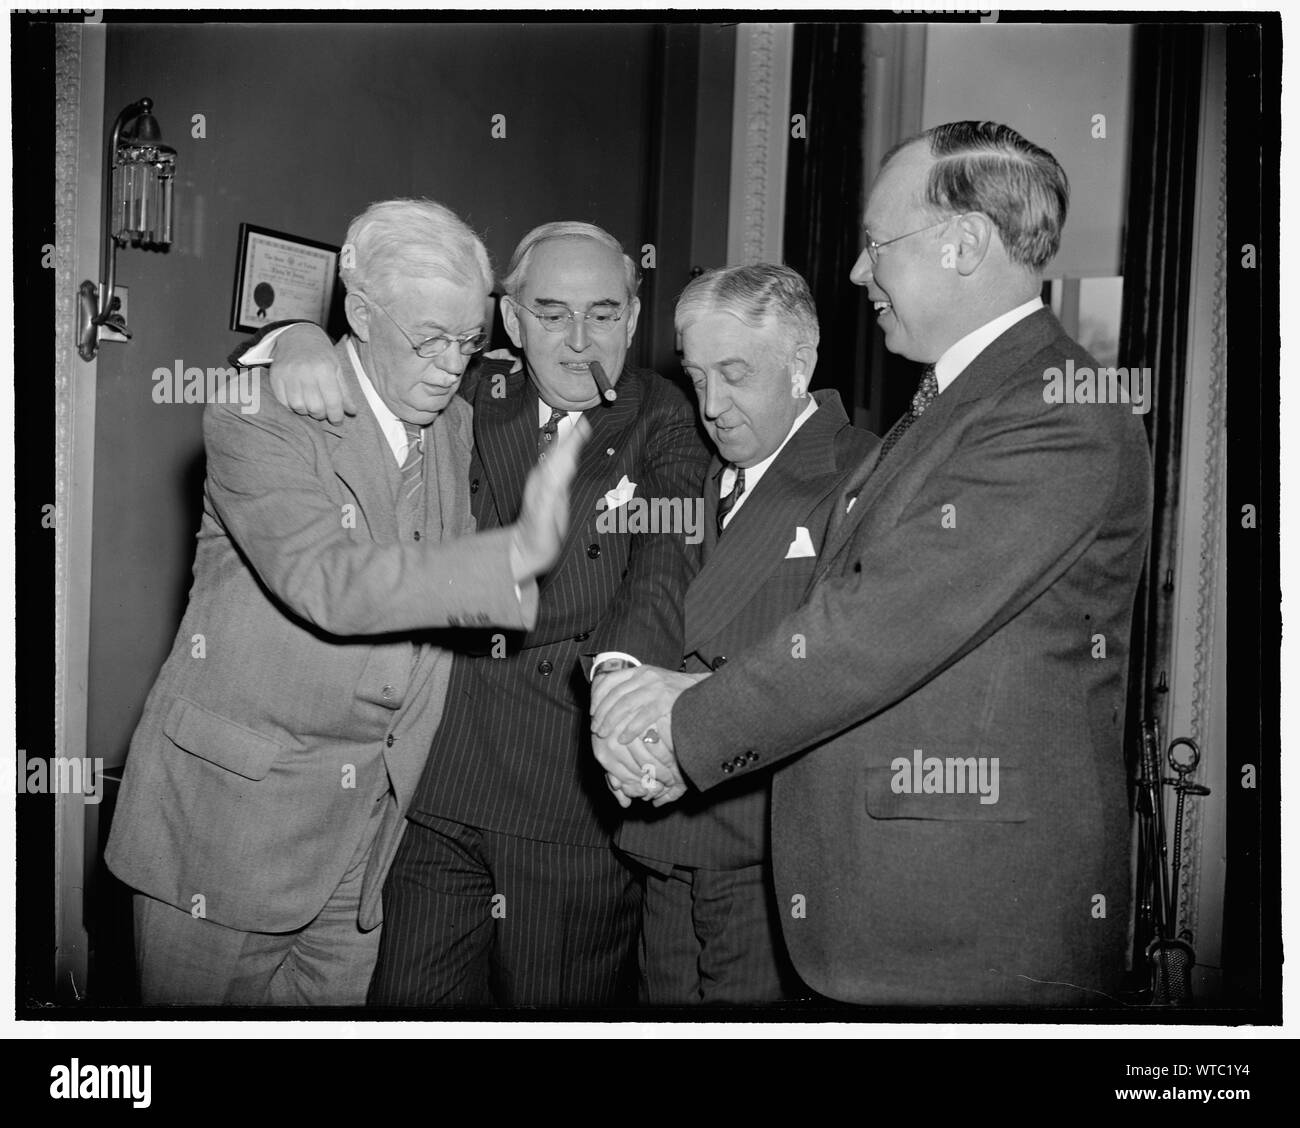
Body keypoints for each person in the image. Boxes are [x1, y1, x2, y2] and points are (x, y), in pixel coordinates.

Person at [593, 121, 1154, 1007]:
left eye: (876, 245)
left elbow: (878, 627)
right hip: (899, 913)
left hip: (967, 928)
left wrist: (687, 719)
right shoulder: (958, 401)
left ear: (964, 242)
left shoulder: (1054, 409)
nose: (858, 274)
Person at [105, 198, 588, 1006]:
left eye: (467, 342)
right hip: (227, 833)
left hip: (365, 847)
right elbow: (328, 581)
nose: (449, 365)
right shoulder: (260, 410)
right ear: (360, 313)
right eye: (428, 339)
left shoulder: (459, 423)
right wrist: (509, 558)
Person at [251, 221, 711, 1006]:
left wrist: (619, 675)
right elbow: (374, 357)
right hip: (439, 783)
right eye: (551, 312)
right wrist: (290, 339)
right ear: (511, 321)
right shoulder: (471, 392)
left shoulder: (664, 417)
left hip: (568, 794)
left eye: (603, 314)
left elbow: (664, 565)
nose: (578, 341)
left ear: (633, 321)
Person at [594, 264, 877, 1005]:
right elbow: (643, 602)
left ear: (800, 365)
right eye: (696, 377)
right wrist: (627, 732)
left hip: (766, 853)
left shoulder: (864, 471)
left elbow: (844, 668)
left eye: (734, 375)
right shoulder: (693, 469)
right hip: (665, 834)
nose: (711, 406)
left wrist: (682, 728)